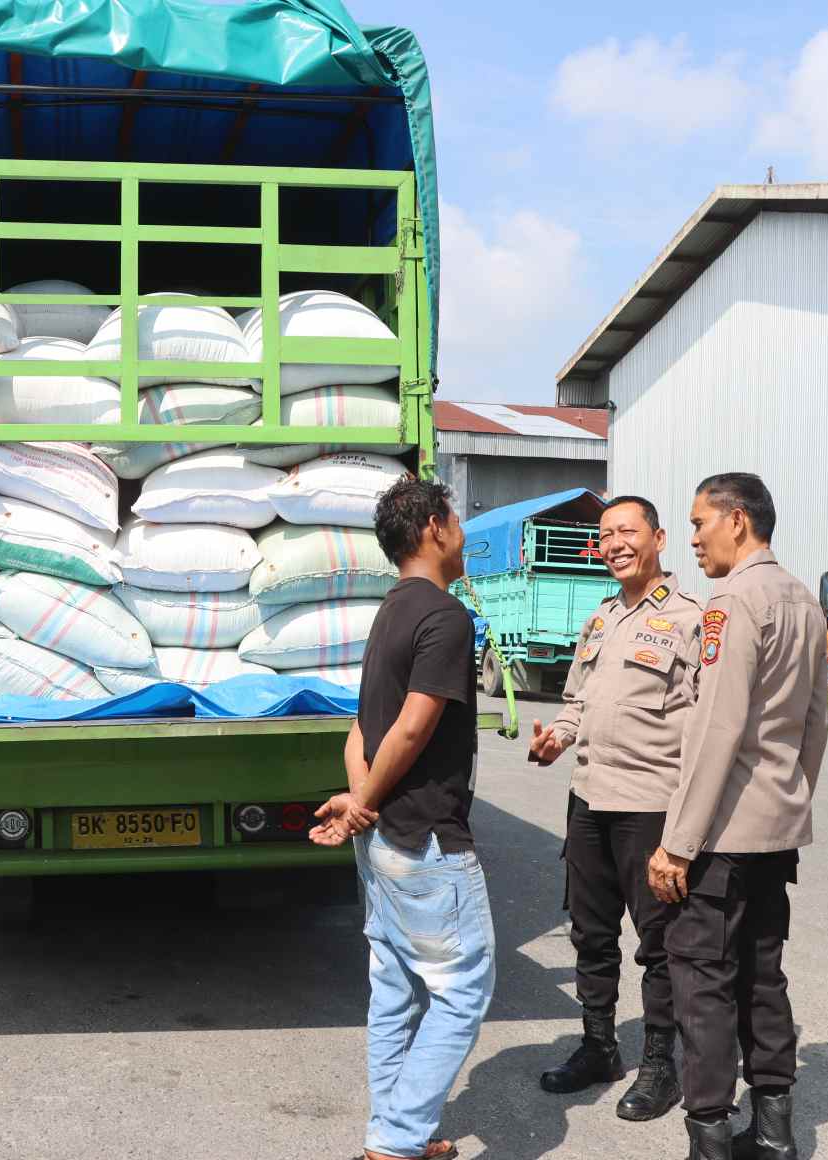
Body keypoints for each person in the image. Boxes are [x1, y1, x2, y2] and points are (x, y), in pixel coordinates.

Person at [646, 473, 828, 1160]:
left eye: (700, 523)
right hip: (774, 831)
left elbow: (715, 729)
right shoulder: (804, 601)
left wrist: (678, 845)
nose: (692, 538)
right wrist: (789, 801)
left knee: (702, 984)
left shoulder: (733, 601)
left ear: (739, 520)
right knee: (763, 976)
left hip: (720, 836)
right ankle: (775, 1134)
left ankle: (711, 1138)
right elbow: (814, 724)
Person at [310, 477, 492, 1160]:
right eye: (457, 518)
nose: (463, 532)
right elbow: (410, 730)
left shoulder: (391, 611)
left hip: (386, 835)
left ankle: (397, 1134)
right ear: (433, 529)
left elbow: (360, 729)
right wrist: (365, 803)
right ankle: (395, 1142)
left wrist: (362, 805)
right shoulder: (445, 616)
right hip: (425, 839)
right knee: (462, 990)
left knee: (393, 986)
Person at [529, 495, 703, 1120]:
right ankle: (599, 1045)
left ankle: (661, 1065)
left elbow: (709, 720)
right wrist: (557, 738)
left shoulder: (689, 619)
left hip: (651, 806)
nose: (615, 543)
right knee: (590, 934)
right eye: (605, 535)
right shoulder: (600, 618)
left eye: (627, 532)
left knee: (660, 944)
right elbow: (576, 700)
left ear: (659, 539)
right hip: (589, 800)